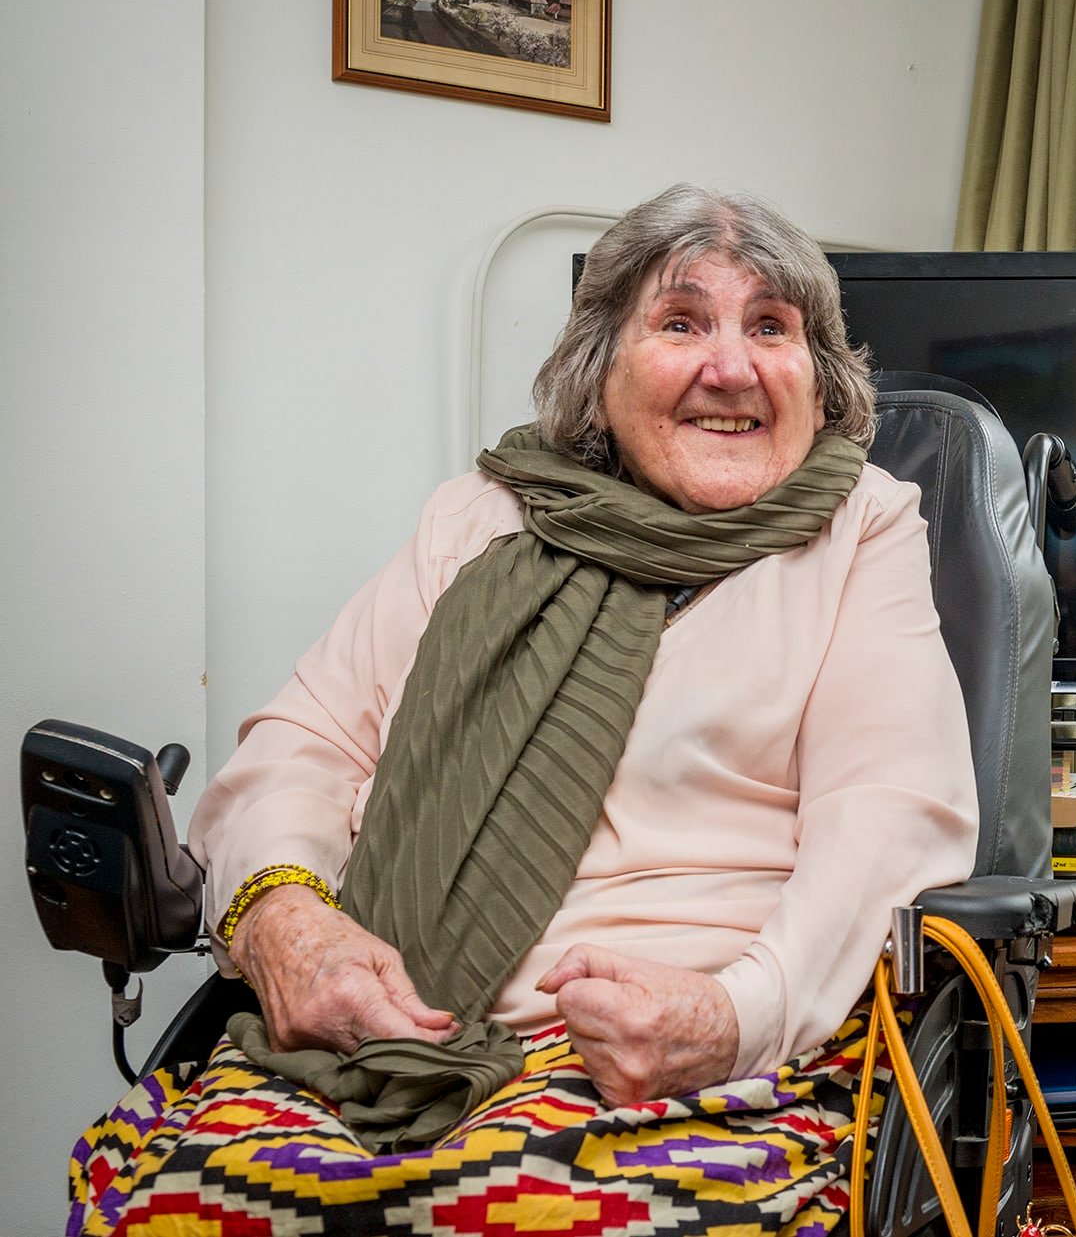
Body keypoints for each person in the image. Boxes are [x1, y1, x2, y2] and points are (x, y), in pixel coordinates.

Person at [70, 185, 979, 1236]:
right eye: (681, 322)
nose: (729, 368)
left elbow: (888, 826)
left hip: (676, 1053)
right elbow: (302, 749)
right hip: (387, 1041)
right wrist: (285, 918)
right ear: (599, 378)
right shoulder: (484, 518)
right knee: (170, 1208)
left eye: (770, 328)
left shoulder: (861, 529)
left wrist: (736, 1015)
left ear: (819, 380)